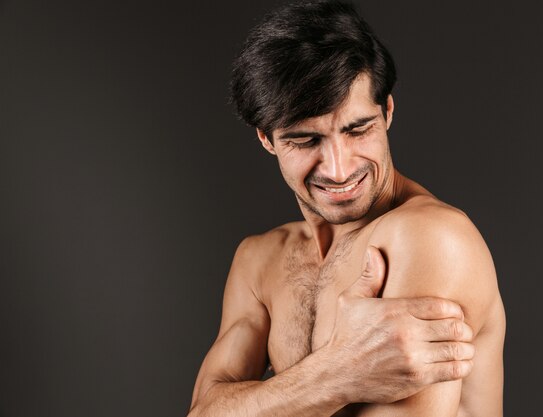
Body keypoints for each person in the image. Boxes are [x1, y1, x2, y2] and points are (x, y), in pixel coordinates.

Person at [188, 1, 505, 416]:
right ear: (267, 139)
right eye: (305, 140)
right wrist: (338, 373)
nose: (339, 169)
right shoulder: (259, 259)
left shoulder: (429, 237)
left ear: (386, 111)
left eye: (358, 130)